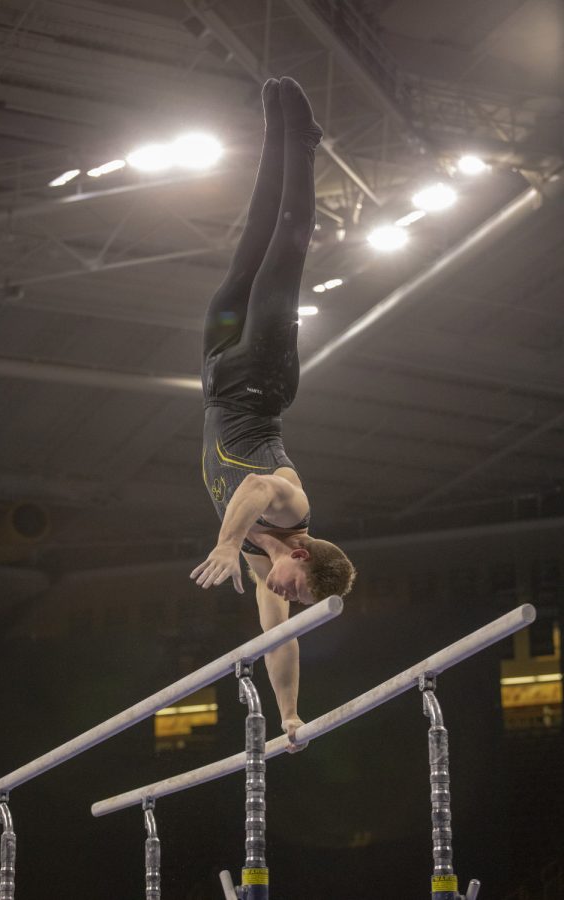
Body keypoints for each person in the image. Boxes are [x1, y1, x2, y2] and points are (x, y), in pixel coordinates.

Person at [190, 77, 356, 750]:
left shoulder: (269, 569)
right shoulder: (290, 509)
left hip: (217, 370)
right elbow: (254, 485)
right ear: (305, 555)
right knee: (286, 243)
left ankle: (272, 134)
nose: (289, 595)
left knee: (252, 236)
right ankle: (304, 143)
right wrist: (229, 542)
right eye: (301, 588)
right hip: (260, 375)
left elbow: (277, 641)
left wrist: (289, 714)